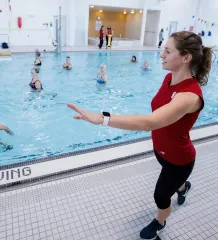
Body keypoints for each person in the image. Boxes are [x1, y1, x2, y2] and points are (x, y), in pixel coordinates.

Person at [66, 31, 212, 239]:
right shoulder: (169, 78)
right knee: (171, 180)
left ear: (186, 57)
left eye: (167, 51)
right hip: (161, 150)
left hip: (179, 159)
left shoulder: (189, 96)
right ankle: (183, 186)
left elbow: (150, 122)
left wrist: (102, 118)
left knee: (160, 195)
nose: (161, 55)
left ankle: (160, 222)